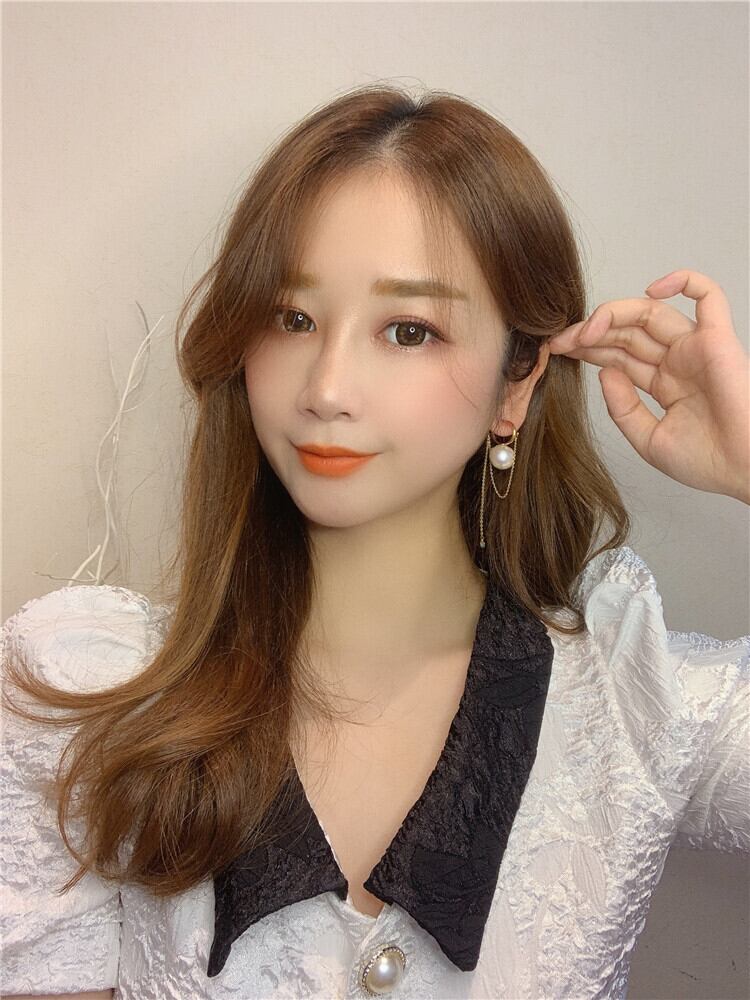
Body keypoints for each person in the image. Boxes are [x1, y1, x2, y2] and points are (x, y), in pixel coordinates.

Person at [1, 83, 748, 1000]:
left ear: (518, 381)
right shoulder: (85, 696)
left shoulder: (634, 706)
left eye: (408, 330)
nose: (326, 387)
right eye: (293, 318)